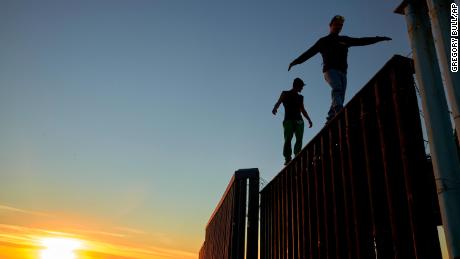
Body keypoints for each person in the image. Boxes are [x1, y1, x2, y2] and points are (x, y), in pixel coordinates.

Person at [288, 15, 392, 121]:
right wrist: (295, 62)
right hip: (330, 70)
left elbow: (361, 41)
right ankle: (339, 110)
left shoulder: (344, 39)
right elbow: (309, 53)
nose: (338, 27)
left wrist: (379, 38)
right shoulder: (323, 41)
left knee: (341, 96)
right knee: (337, 88)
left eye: (341, 25)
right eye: (336, 24)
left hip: (343, 72)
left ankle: (331, 117)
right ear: (330, 25)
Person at [272, 78, 313, 165]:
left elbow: (303, 110)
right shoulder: (285, 93)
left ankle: (297, 155)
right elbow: (278, 102)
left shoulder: (300, 97)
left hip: (299, 121)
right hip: (288, 120)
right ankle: (287, 158)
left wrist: (309, 119)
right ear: (297, 86)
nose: (302, 89)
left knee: (299, 139)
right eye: (301, 87)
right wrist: (275, 108)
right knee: (288, 138)